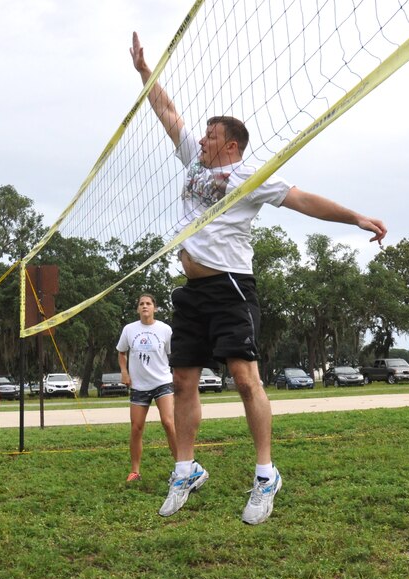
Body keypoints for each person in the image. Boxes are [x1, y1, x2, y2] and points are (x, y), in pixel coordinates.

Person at [130, 32, 387, 524]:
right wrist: (145, 73)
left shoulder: (251, 175)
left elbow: (304, 199)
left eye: (209, 137)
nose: (200, 140)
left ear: (229, 145)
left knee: (246, 379)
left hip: (231, 287)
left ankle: (266, 474)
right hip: (192, 292)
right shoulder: (194, 162)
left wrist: (355, 216)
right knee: (183, 379)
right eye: (201, 136)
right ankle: (185, 469)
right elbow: (167, 113)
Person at [116, 294, 177, 482]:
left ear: (155, 308)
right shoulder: (129, 329)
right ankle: (135, 471)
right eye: (141, 303)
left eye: (148, 303)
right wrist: (124, 372)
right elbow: (121, 352)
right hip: (139, 386)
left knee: (168, 422)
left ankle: (181, 467)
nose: (144, 306)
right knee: (136, 427)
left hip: (162, 382)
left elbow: (172, 355)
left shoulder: (165, 330)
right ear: (137, 309)